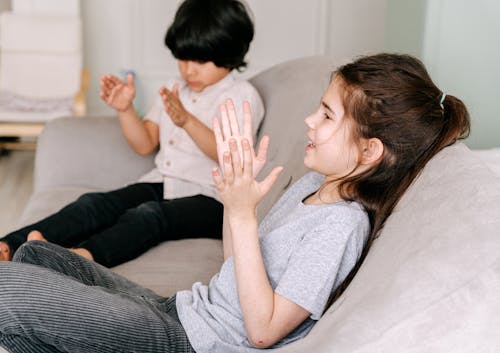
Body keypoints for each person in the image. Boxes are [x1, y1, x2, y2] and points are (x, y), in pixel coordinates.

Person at [0, 53, 470, 352]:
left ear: (369, 151)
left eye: (326, 115)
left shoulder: (341, 229)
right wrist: (231, 198)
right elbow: (235, 262)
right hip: (180, 310)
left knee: (9, 287)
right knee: (36, 256)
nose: (309, 121)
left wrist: (245, 214)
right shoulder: (311, 184)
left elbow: (263, 330)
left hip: (188, 342)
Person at [0, 0, 264, 267]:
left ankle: (79, 259)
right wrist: (125, 109)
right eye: (182, 58)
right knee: (94, 204)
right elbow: (145, 143)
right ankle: (11, 244)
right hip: (163, 182)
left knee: (148, 216)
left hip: (212, 199)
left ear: (230, 53)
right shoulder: (174, 88)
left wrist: (187, 121)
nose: (188, 70)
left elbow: (233, 159)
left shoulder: (241, 95)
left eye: (200, 60)